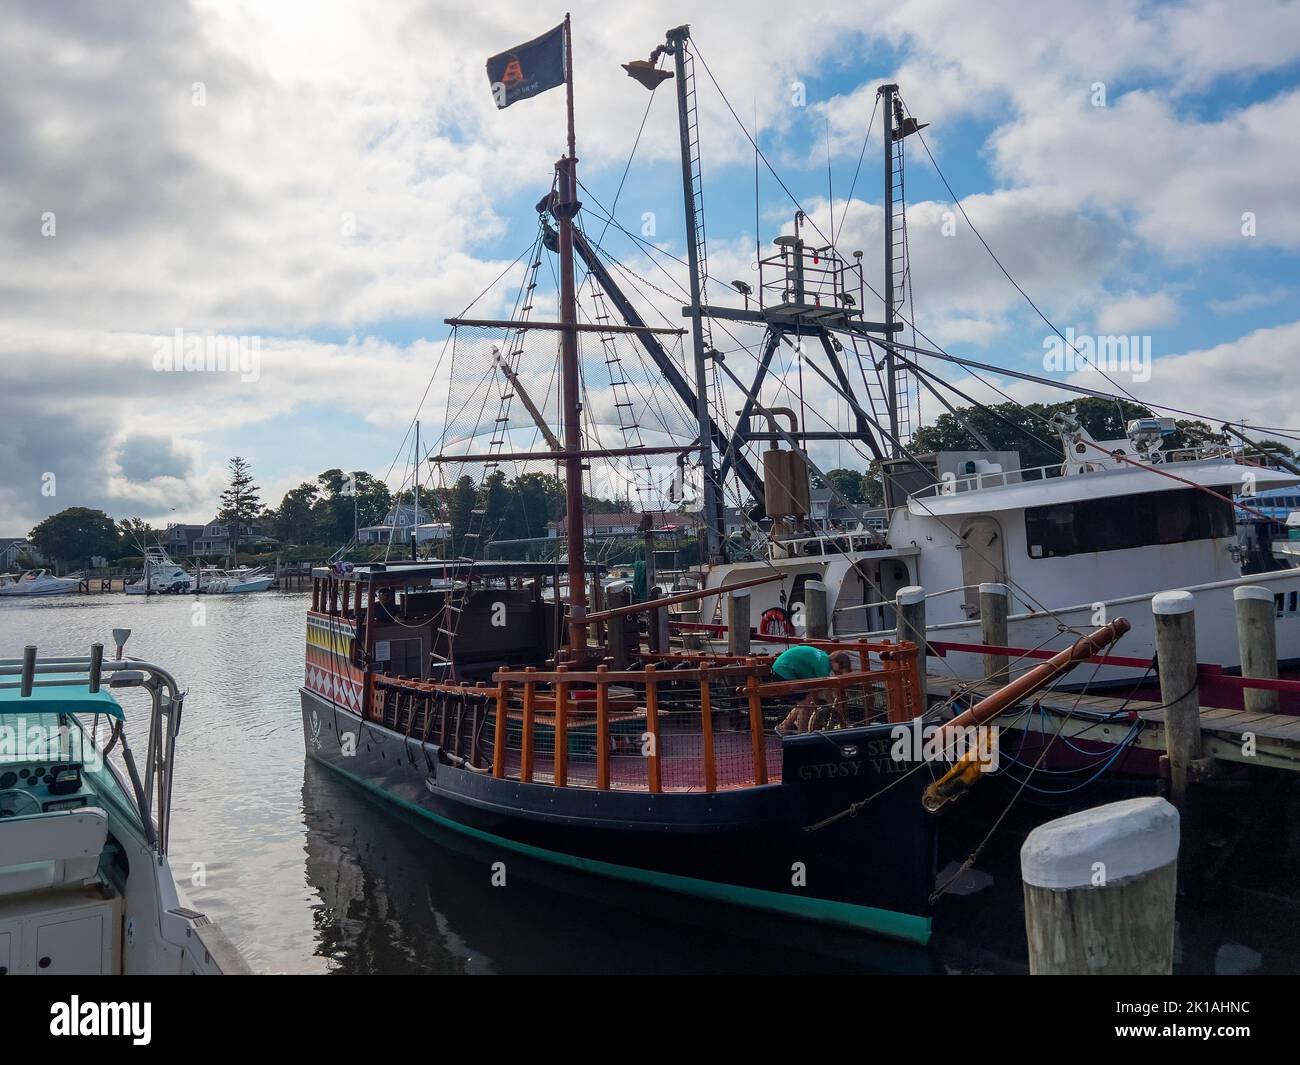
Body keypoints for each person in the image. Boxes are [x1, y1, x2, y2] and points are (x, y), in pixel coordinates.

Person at [772, 646, 854, 735]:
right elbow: (826, 691)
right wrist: (835, 708)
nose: (839, 672)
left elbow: (816, 689)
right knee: (806, 705)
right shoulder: (823, 666)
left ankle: (784, 727)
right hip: (784, 672)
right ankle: (801, 734)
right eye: (841, 669)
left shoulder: (823, 658)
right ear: (835, 661)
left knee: (805, 702)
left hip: (785, 670)